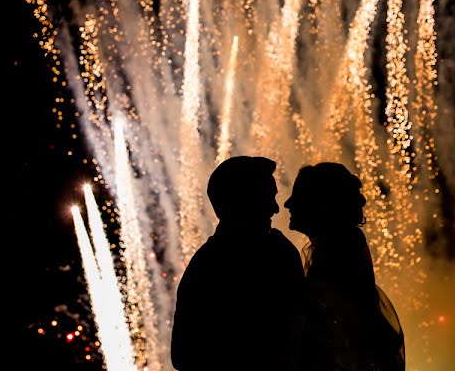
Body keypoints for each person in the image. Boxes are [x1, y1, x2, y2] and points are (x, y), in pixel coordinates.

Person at [171, 156, 305, 371]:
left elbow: (182, 356)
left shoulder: (203, 266)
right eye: (267, 197)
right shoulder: (280, 251)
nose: (276, 208)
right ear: (244, 201)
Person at [285, 162, 405, 371]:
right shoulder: (339, 242)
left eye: (298, 196)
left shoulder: (336, 247)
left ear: (321, 203)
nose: (287, 204)